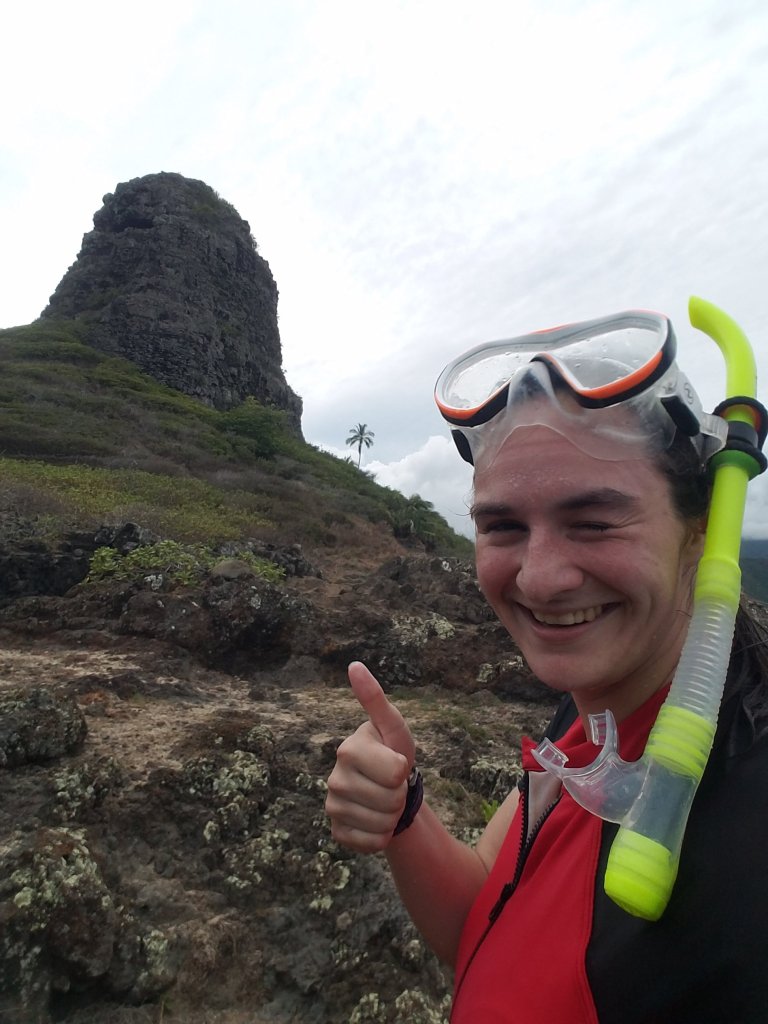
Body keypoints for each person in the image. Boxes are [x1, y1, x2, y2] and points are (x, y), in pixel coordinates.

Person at [325, 308, 768, 1023]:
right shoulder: (591, 712)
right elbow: (487, 917)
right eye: (502, 526)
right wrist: (405, 812)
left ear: (700, 529)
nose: (539, 578)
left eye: (593, 522)